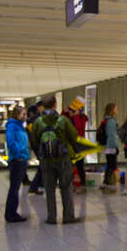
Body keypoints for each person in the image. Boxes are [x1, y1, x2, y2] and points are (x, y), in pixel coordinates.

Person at [30, 95, 80, 224]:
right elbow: (74, 136)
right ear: (55, 105)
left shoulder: (38, 122)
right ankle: (68, 216)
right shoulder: (63, 120)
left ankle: (51, 217)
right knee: (66, 187)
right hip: (63, 159)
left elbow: (34, 140)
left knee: (49, 189)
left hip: (46, 161)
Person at [4, 105, 29, 223]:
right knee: (14, 188)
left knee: (15, 187)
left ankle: (12, 213)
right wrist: (18, 155)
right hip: (17, 161)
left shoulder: (20, 126)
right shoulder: (12, 126)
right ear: (16, 115)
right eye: (23, 114)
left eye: (25, 114)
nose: (25, 117)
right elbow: (11, 142)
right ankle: (11, 214)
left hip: (21, 159)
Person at [64, 98, 88, 194]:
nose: (70, 112)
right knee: (69, 166)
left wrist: (74, 116)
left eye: (73, 110)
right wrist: (65, 112)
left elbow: (78, 127)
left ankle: (82, 185)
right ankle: (72, 184)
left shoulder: (81, 118)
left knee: (80, 166)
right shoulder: (70, 118)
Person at [100, 103, 120, 193]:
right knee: (112, 165)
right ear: (112, 110)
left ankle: (106, 182)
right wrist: (115, 147)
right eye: (116, 108)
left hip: (107, 146)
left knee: (110, 165)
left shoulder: (106, 120)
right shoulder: (111, 121)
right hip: (111, 146)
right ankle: (107, 183)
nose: (117, 110)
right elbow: (112, 135)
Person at [26, 101, 45, 195]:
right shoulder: (34, 119)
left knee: (43, 165)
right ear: (39, 107)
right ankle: (34, 186)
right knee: (43, 165)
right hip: (38, 145)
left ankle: (39, 185)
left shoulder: (41, 117)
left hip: (41, 145)